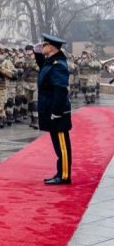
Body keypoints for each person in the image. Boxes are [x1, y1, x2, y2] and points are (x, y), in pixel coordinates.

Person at [36, 35, 72, 185]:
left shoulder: (58, 65)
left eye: (44, 44)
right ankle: (60, 173)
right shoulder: (50, 62)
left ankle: (64, 176)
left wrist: (57, 112)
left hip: (58, 111)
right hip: (50, 108)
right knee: (58, 144)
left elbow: (60, 90)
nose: (41, 46)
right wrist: (37, 50)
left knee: (62, 146)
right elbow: (42, 66)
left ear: (51, 47)